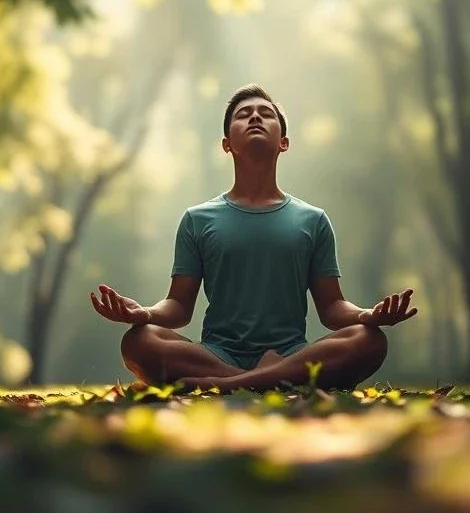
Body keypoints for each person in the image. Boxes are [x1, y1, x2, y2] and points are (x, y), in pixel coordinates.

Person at [89, 84, 417, 392]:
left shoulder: (313, 220)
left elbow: (332, 307)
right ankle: (271, 381)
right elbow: (178, 306)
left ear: (283, 142)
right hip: (217, 355)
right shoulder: (196, 219)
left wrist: (367, 316)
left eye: (266, 113)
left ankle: (229, 386)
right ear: (226, 144)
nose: (256, 117)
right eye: (244, 115)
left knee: (371, 340)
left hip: (291, 353)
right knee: (137, 342)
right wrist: (143, 314)